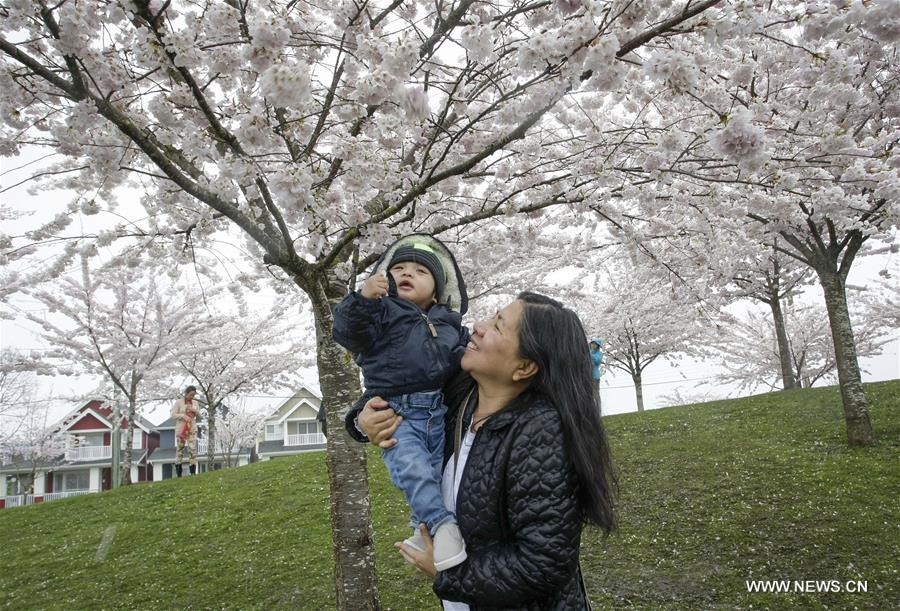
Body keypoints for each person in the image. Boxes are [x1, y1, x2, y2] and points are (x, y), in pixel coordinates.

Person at [346, 292, 617, 610]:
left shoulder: (540, 430)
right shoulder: (456, 399)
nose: (477, 325)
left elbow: (544, 562)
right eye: (492, 316)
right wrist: (364, 418)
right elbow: (398, 383)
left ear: (525, 366)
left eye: (498, 326)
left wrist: (448, 575)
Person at [332, 234, 471, 571]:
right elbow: (348, 332)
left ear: (438, 291)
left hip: (435, 411)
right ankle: (442, 525)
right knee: (414, 471)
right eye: (398, 268)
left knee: (435, 474)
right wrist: (363, 299)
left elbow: (463, 357)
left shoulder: (449, 324)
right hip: (396, 412)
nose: (407, 273)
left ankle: (419, 530)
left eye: (421, 271)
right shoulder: (380, 314)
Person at [171, 385, 200, 477]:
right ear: (186, 393)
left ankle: (192, 472)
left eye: (194, 395)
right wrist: (183, 416)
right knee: (180, 449)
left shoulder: (195, 403)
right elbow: (173, 415)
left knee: (192, 449)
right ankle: (179, 474)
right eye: (191, 395)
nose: (192, 397)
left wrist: (195, 411)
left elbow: (199, 417)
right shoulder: (179, 402)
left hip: (192, 428)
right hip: (181, 429)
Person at [589, 338, 604, 403]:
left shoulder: (599, 353)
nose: (593, 345)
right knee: (588, 394)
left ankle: (598, 409)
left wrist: (590, 355)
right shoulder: (587, 352)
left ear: (598, 346)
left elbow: (597, 362)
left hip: (595, 376)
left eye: (595, 344)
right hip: (587, 375)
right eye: (592, 343)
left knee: (595, 393)